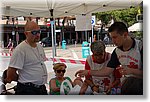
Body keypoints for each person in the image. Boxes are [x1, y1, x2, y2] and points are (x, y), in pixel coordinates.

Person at [75, 22, 143, 95]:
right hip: (126, 87)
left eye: (115, 37)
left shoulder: (141, 47)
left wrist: (131, 71)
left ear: (125, 35)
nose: (113, 41)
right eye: (111, 38)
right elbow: (107, 71)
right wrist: (88, 72)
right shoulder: (117, 51)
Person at [4, 21, 48, 95]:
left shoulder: (39, 46)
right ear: (26, 34)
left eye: (39, 32)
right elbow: (10, 74)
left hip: (41, 88)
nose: (38, 35)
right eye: (34, 32)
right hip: (27, 90)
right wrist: (25, 80)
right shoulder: (20, 49)